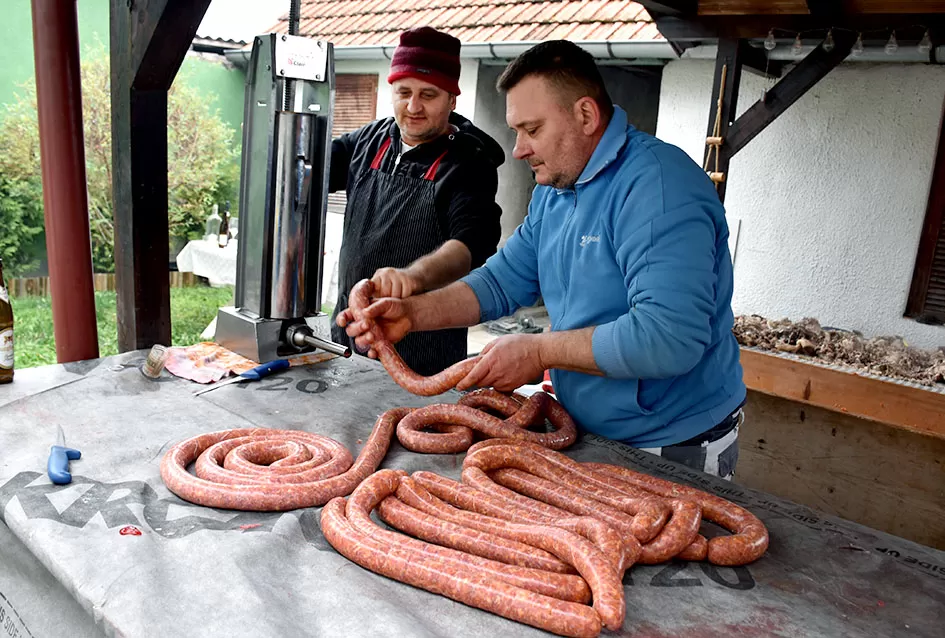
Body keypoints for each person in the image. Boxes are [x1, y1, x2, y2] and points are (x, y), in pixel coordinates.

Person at [338, 40, 747, 480]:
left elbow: (668, 338)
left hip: (670, 442)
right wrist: (412, 314)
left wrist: (537, 351)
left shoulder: (659, 188)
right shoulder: (555, 191)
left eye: (531, 130)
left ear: (586, 116)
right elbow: (502, 282)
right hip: (584, 429)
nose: (517, 149)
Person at [328, 26, 504, 376]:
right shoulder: (369, 140)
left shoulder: (469, 163)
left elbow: (468, 246)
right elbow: (308, 172)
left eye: (428, 94)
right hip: (348, 337)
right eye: (403, 91)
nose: (413, 106)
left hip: (424, 355)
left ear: (452, 99)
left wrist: (414, 276)